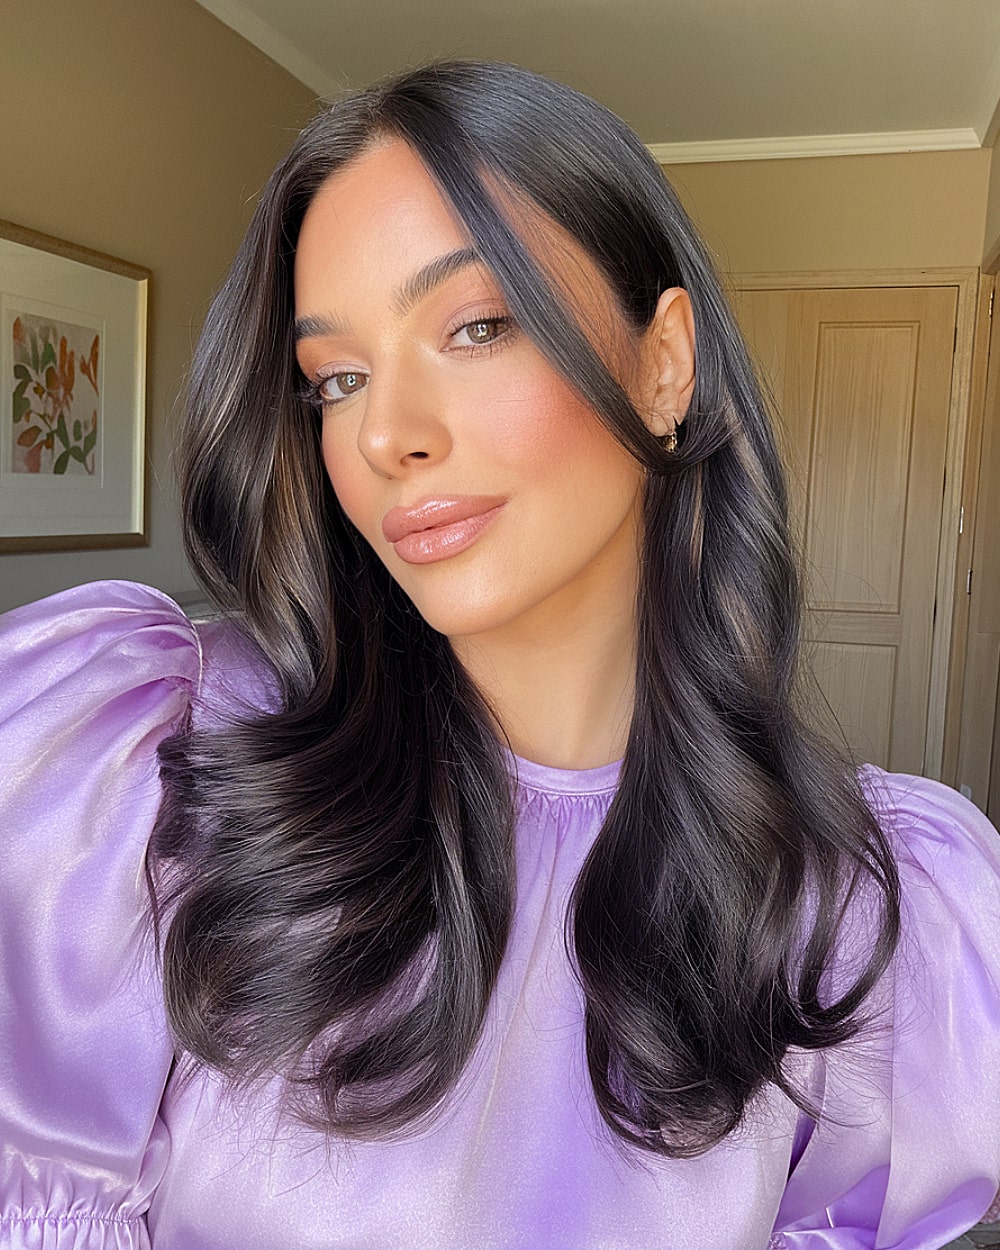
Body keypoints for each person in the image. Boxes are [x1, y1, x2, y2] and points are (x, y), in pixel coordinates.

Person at [1, 59, 998, 1250]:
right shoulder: (157, 771)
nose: (386, 434)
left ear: (663, 364)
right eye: (337, 379)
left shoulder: (861, 925)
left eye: (474, 327)